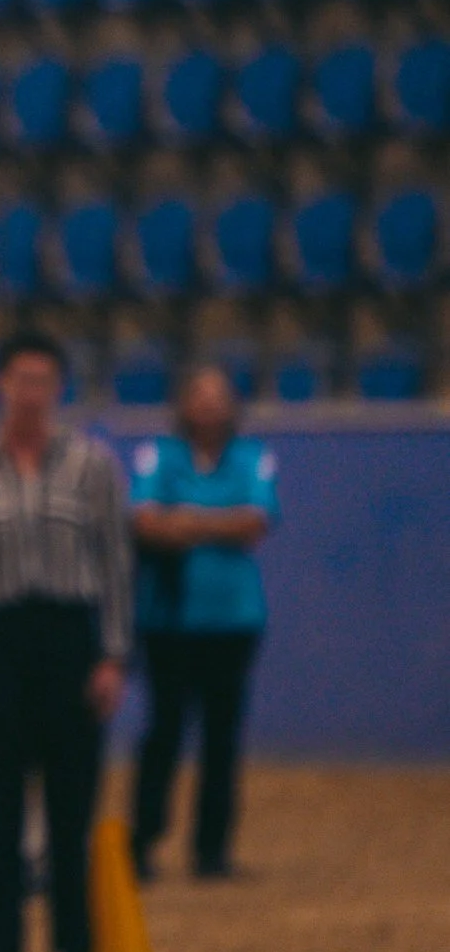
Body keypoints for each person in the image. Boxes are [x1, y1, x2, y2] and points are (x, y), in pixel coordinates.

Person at [0, 331, 132, 952]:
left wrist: (113, 656)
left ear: (58, 387)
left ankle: (75, 943)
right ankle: (5, 947)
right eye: (21, 379)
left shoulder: (93, 466)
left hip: (70, 639)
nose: (32, 393)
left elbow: (115, 562)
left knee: (73, 799)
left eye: (44, 380)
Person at [129, 365, 277, 881]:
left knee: (222, 737)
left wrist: (185, 521)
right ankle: (142, 842)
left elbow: (255, 522)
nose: (210, 405)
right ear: (183, 403)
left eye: (220, 395)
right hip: (168, 621)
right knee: (163, 732)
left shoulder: (251, 457)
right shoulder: (158, 456)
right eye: (200, 394)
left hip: (233, 622)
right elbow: (144, 522)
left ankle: (211, 851)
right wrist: (219, 522)